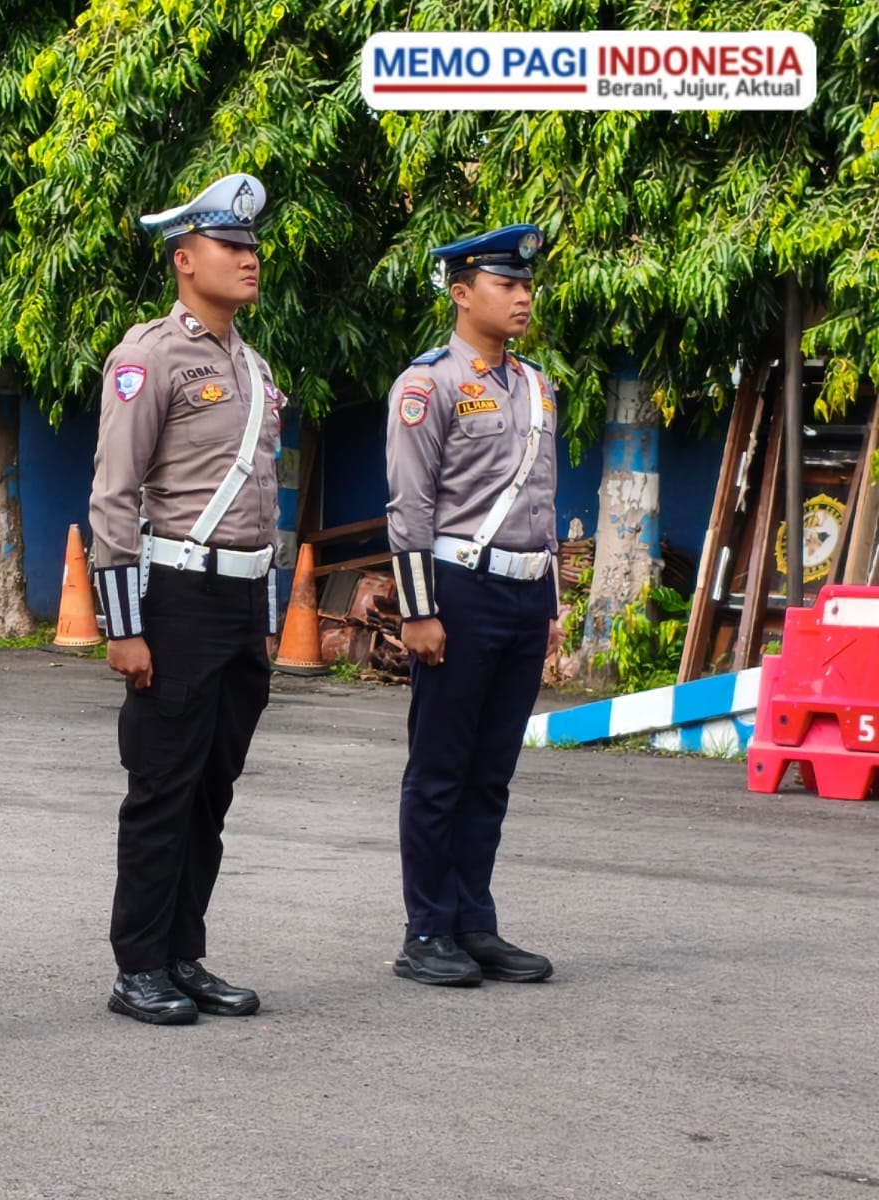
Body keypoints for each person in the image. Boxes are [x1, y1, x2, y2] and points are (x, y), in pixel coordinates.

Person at [88, 173, 285, 1026]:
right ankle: (138, 965)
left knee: (213, 789)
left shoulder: (254, 363)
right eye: (230, 247)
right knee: (162, 789)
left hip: (242, 606)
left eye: (251, 245)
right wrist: (124, 629)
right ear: (183, 259)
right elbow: (112, 497)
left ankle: (184, 952)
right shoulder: (147, 358)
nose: (248, 258)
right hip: (172, 597)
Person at [384, 223, 561, 988]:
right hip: (458, 591)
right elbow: (409, 508)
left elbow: (545, 503)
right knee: (441, 769)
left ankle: (474, 921)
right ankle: (427, 930)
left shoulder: (535, 384)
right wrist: (419, 612)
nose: (522, 296)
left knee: (492, 771)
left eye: (526, 286)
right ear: (461, 294)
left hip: (524, 595)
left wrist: (550, 606)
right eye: (504, 285)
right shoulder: (428, 385)